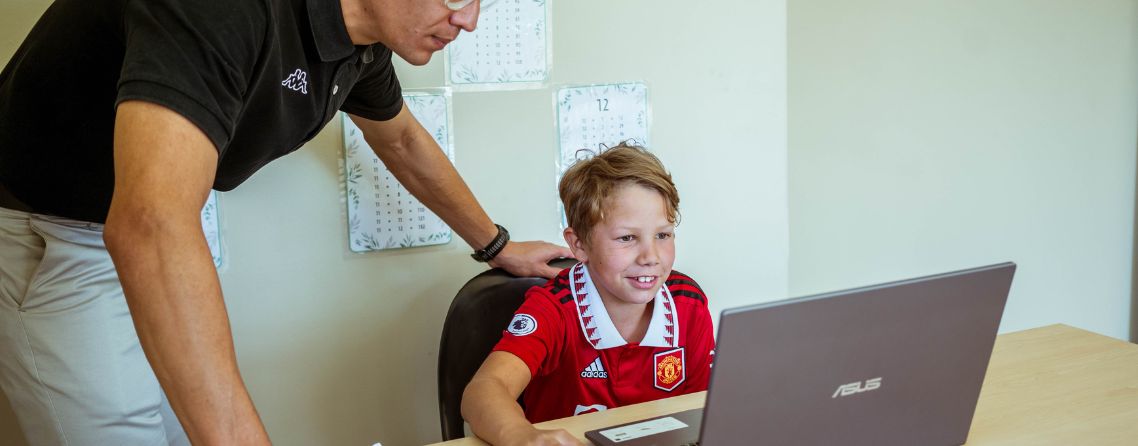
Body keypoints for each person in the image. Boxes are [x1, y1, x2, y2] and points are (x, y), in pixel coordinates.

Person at [0, 0, 571, 443]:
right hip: (51, 235)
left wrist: (496, 244)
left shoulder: (361, 41)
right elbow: (149, 226)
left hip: (134, 233)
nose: (469, 20)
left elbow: (399, 137)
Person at [460, 143, 716, 446]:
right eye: (627, 238)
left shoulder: (688, 302)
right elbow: (483, 390)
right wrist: (521, 435)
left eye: (663, 235)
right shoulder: (555, 308)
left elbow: (704, 410)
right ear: (579, 244)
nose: (651, 256)